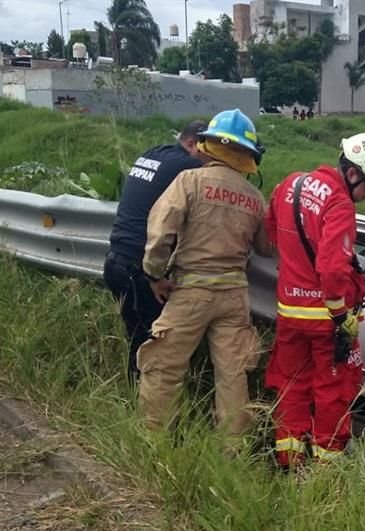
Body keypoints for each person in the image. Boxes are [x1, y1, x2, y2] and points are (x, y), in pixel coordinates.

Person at [137, 109, 273, 447]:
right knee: (233, 375)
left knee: (164, 367)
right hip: (235, 297)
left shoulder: (189, 181)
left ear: (209, 145)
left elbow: (161, 234)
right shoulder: (255, 198)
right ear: (247, 155)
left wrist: (154, 274)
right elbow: (265, 247)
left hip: (190, 291)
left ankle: (156, 444)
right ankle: (233, 449)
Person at [265, 132, 365, 467]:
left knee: (291, 386)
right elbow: (332, 268)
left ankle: (289, 461)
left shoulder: (290, 184)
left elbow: (271, 232)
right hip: (324, 321)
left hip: (289, 313)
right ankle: (325, 471)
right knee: (333, 392)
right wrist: (341, 316)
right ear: (353, 173)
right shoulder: (339, 203)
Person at [103, 119, 209, 381]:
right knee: (157, 343)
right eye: (208, 149)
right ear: (192, 143)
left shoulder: (154, 153)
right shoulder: (188, 167)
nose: (210, 157)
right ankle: (147, 398)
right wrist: (155, 277)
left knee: (138, 336)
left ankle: (133, 393)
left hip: (115, 260)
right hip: (139, 268)